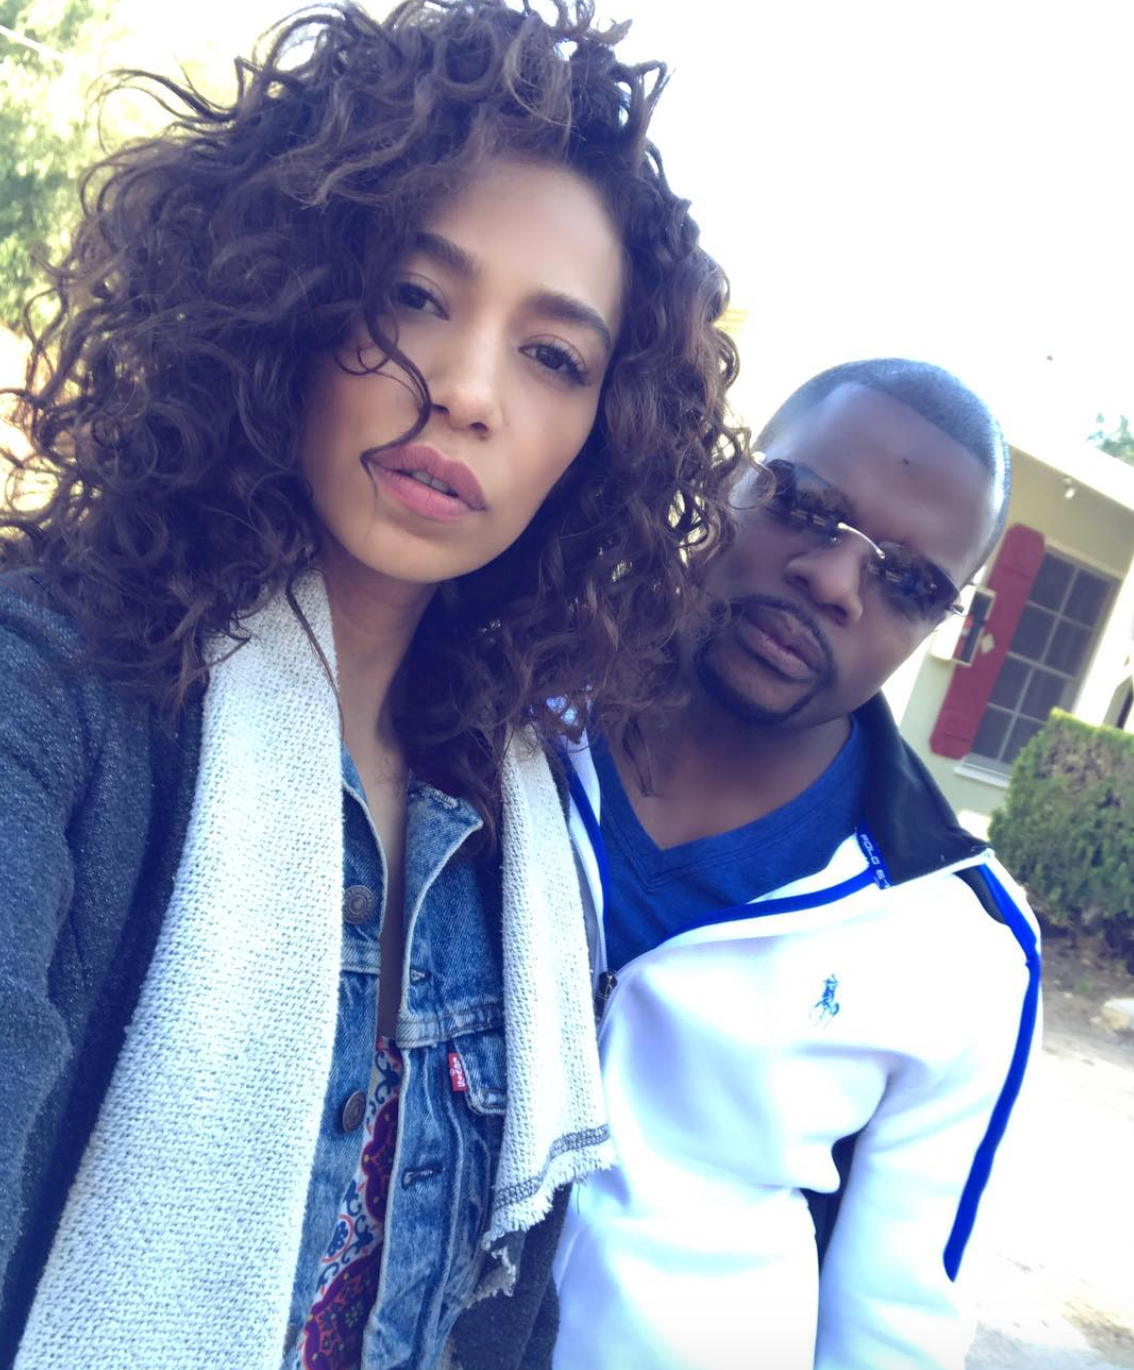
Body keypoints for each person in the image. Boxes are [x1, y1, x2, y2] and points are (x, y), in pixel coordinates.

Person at [0, 4, 745, 1368]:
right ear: (287, 285)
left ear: (602, 436)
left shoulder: (523, 828)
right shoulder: (47, 690)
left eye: (552, 356)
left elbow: (502, 1315)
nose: (467, 390)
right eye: (416, 294)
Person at [553, 359, 1041, 1370]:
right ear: (728, 474)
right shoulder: (499, 711)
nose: (833, 579)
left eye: (908, 581)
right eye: (807, 506)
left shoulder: (960, 943)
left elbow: (892, 1322)